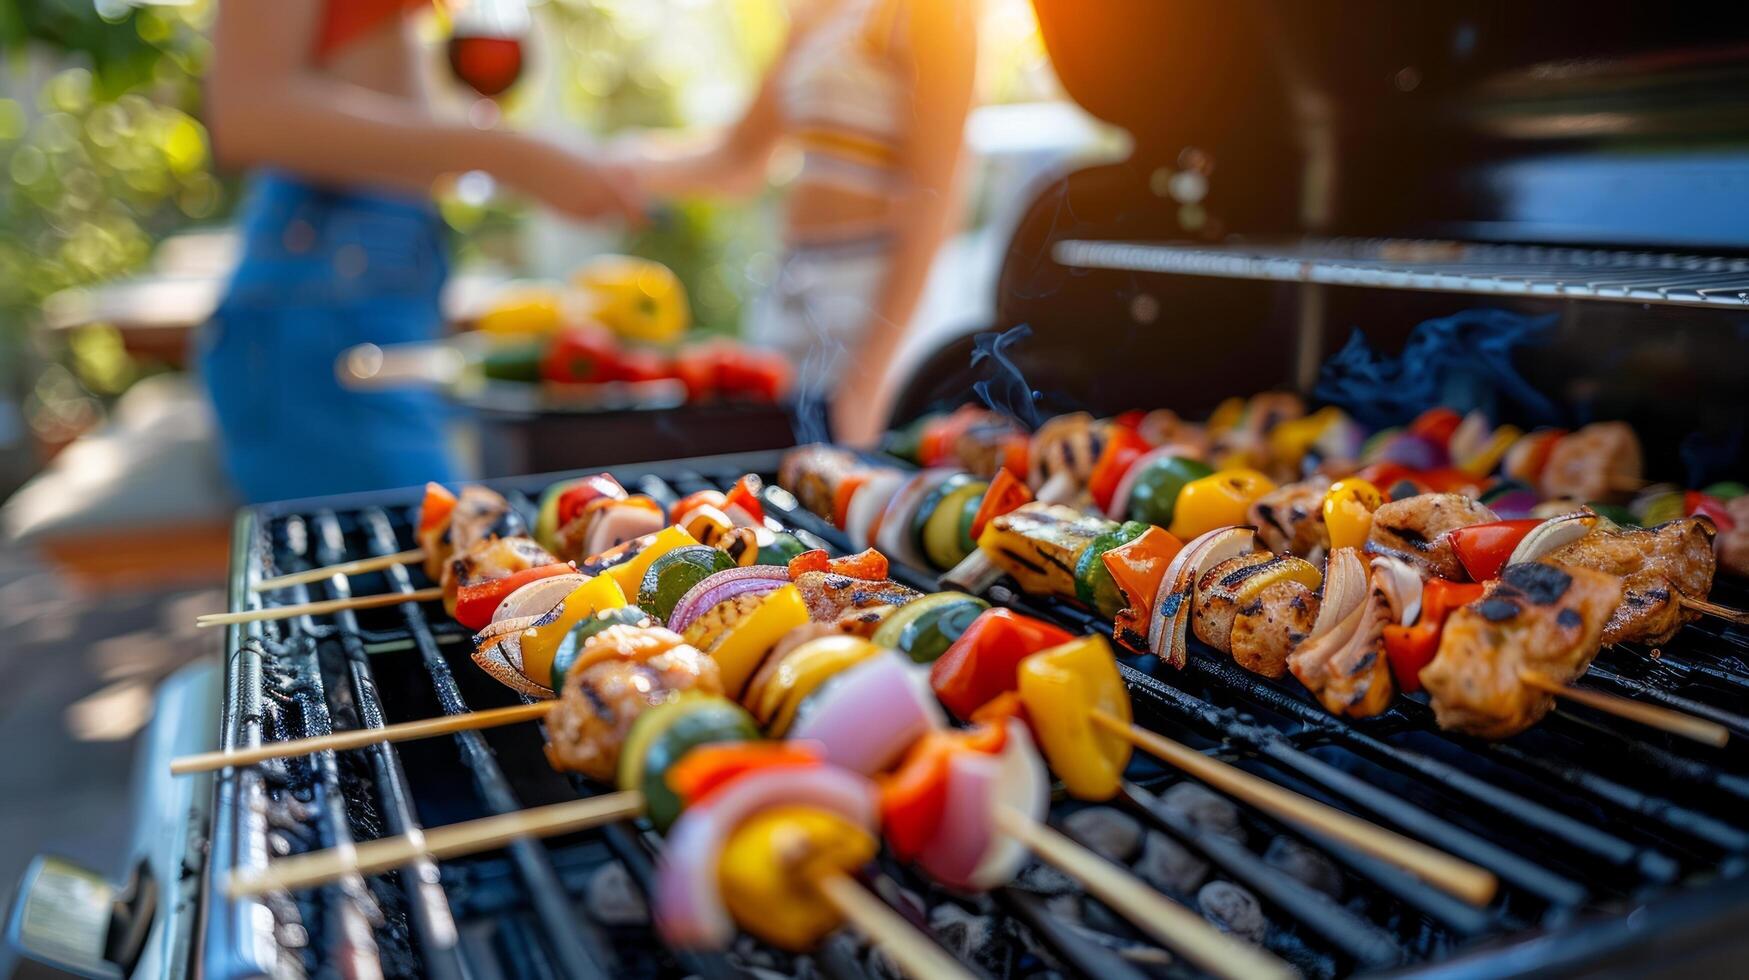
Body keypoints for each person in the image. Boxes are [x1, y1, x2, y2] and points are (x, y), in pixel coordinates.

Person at [200, 0, 640, 503]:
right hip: (324, 294)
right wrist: (511, 155)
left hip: (376, 269)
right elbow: (247, 110)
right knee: (428, 557)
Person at [615, 0, 978, 447]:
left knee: (853, 489)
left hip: (874, 300)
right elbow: (738, 159)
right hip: (794, 291)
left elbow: (938, 193)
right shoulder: (811, 15)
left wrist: (868, 378)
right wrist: (617, 166)